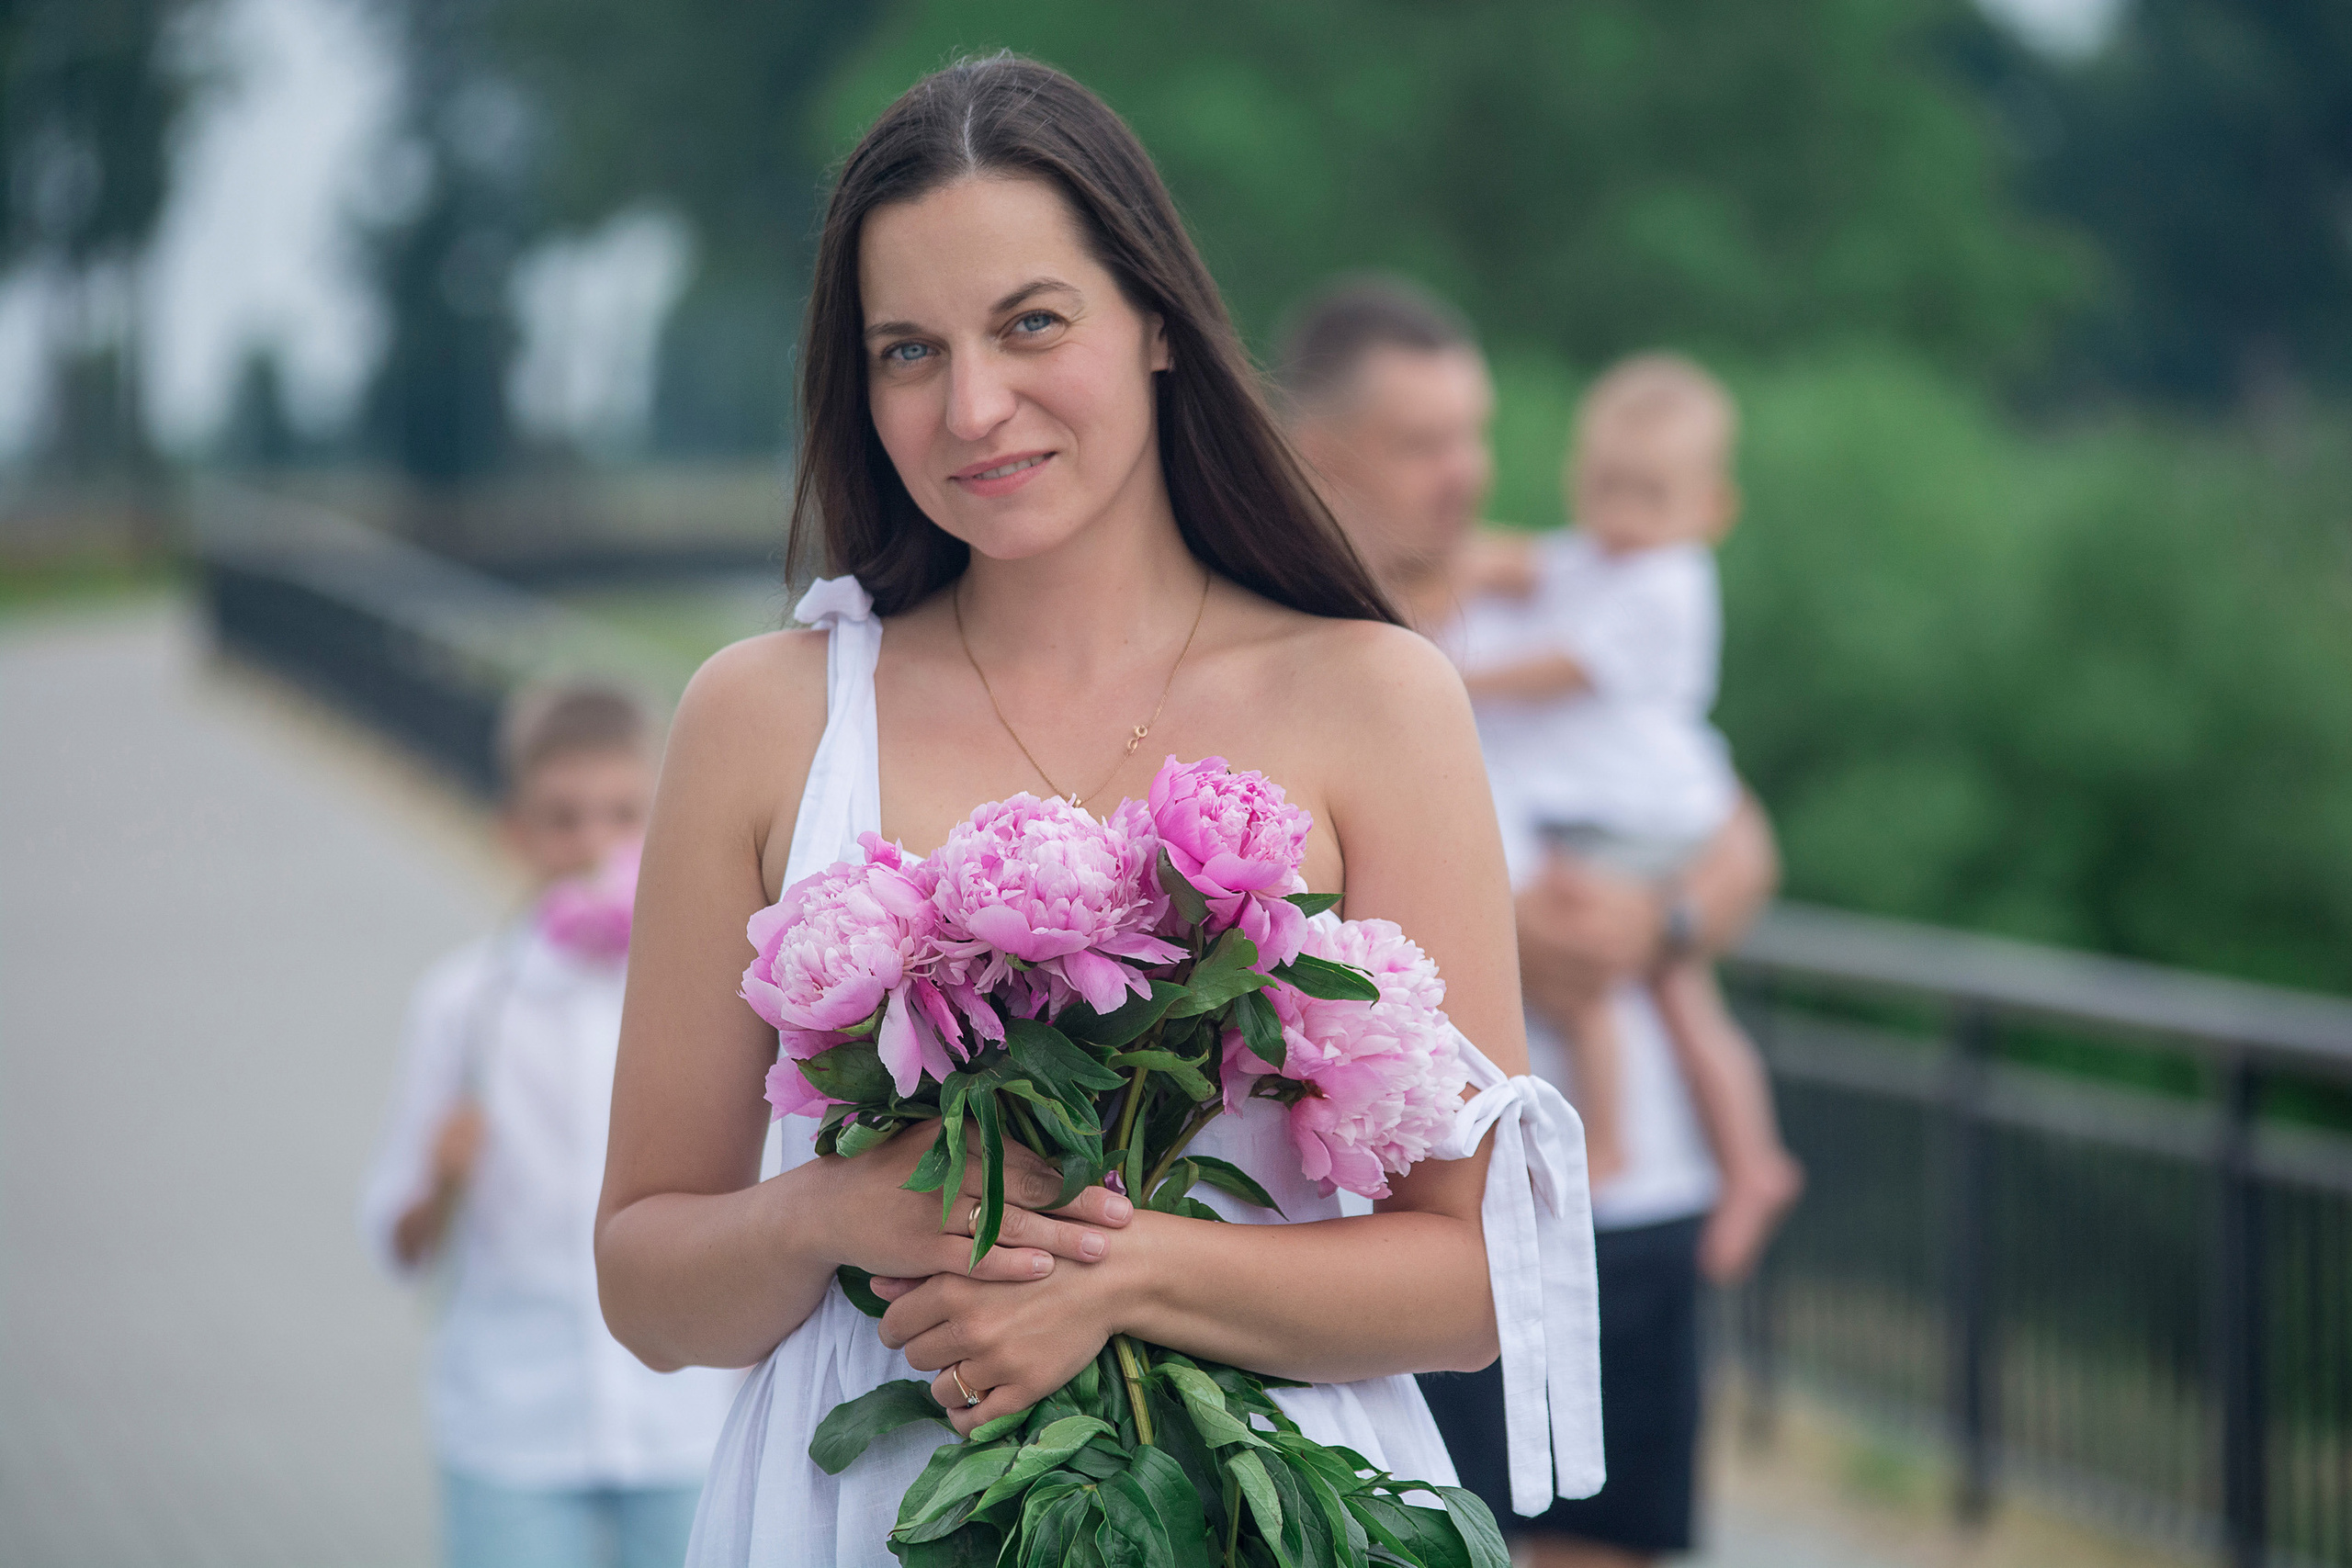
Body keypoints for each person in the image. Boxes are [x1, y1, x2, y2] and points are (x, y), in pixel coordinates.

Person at [593, 55, 1602, 1568]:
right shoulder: (762, 715)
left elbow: (1476, 1277)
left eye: (1031, 324)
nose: (973, 405)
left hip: (1271, 1513)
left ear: (1157, 326)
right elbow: (644, 1279)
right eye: (908, 351)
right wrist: (825, 1217)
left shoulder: (1376, 698)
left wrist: (1125, 1278)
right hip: (867, 1514)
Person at [1282, 276, 1794, 1566]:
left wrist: (1659, 927)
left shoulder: (1547, 605)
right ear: (1316, 450)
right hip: (1418, 1224)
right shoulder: (1285, 647)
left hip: (1628, 1198)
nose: (1466, 474)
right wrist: (1491, 924)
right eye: (1422, 443)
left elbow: (1738, 838)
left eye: (1477, 436)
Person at [359, 681, 738, 1568]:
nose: (594, 843)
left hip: (686, 1415)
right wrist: (443, 1178)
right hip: (511, 1424)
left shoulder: (711, 991)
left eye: (622, 814)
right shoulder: (464, 1005)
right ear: (514, 830)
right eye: (562, 818)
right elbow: (397, 1237)